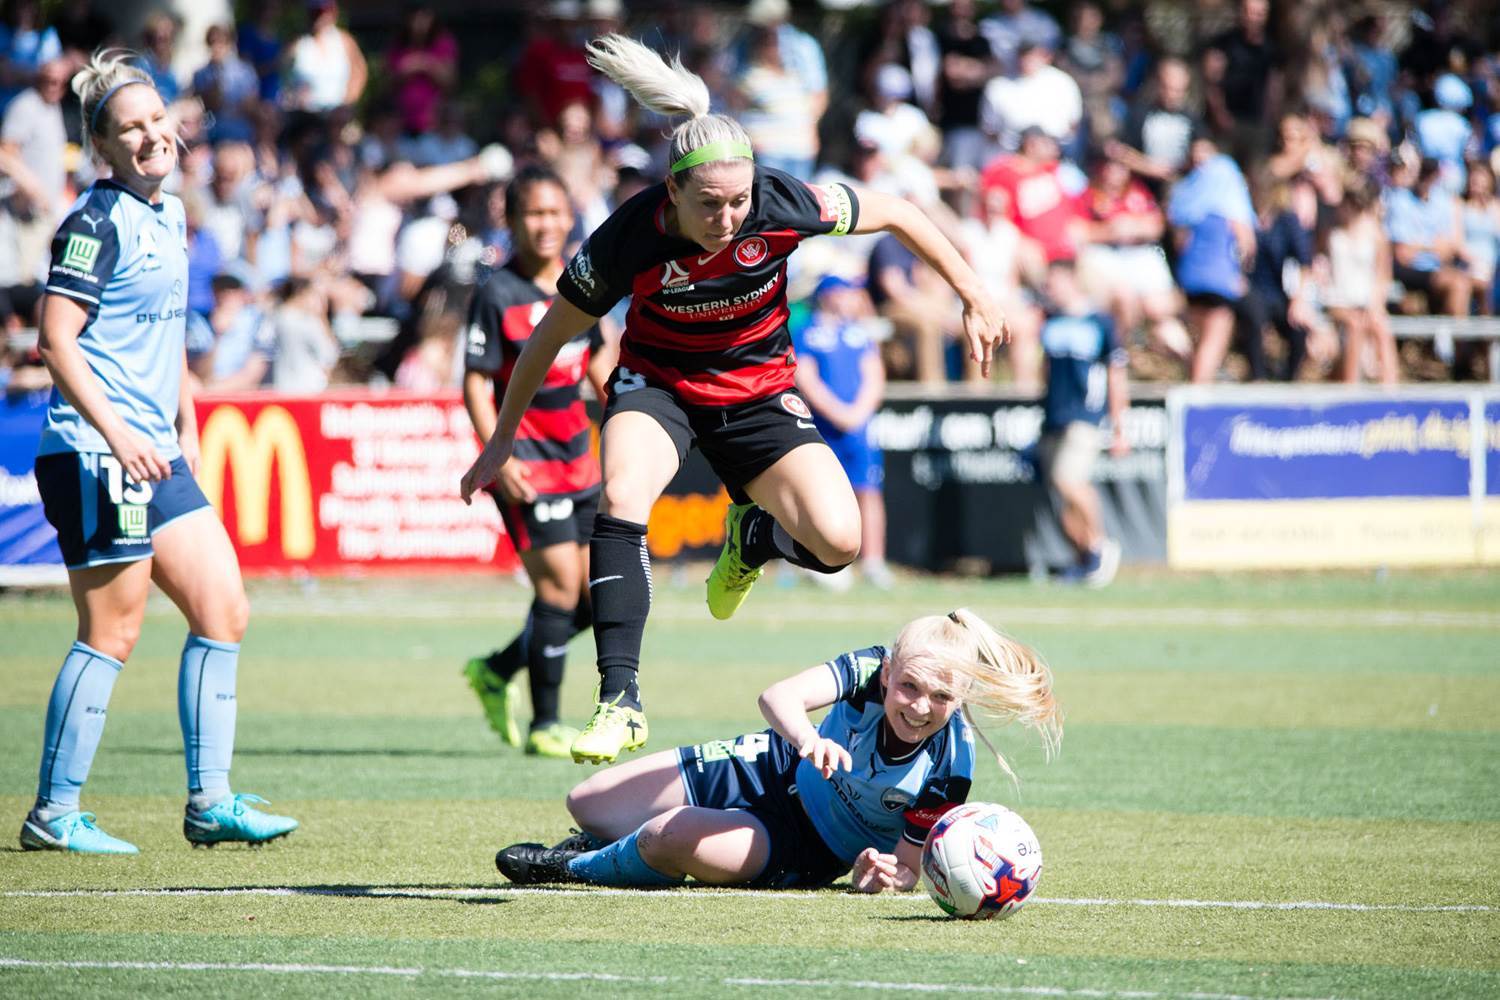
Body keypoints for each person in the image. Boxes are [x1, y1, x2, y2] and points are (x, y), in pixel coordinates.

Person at [460, 35, 1008, 766]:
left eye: (739, 202)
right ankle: (620, 702)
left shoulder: (782, 202)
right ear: (673, 193)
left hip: (760, 391)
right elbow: (545, 338)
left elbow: (901, 212)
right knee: (622, 495)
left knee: (839, 544)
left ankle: (753, 537)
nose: (727, 218)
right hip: (659, 387)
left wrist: (973, 292)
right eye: (709, 204)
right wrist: (501, 439)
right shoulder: (628, 236)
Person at [20, 50, 296, 855]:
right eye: (128, 128)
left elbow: (166, 333)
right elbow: (55, 341)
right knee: (112, 630)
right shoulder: (94, 222)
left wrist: (187, 426)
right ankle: (54, 812)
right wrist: (120, 432)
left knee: (224, 609)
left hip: (155, 450)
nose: (149, 136)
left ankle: (211, 802)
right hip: (95, 448)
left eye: (156, 120)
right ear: (101, 149)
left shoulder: (170, 215)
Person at [495, 608, 1061, 890]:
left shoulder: (951, 764)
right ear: (888, 673)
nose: (918, 706)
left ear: (959, 698)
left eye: (940, 697)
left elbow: (909, 867)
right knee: (586, 800)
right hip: (769, 761)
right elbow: (778, 696)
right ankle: (604, 837)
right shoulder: (868, 669)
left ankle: (573, 866)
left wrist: (879, 871)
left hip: (806, 842)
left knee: (670, 835)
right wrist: (809, 739)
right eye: (909, 686)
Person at [462, 166, 617, 760]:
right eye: (534, 213)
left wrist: (629, 413)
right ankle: (545, 724)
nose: (546, 224)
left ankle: (497, 670)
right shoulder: (496, 292)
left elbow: (600, 365)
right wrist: (495, 453)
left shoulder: (582, 284)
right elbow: (475, 384)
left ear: (570, 217)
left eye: (556, 212)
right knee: (556, 590)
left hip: (580, 462)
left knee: (590, 601)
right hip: (525, 463)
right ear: (512, 219)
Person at [792, 275, 891, 588]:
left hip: (859, 428)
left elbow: (874, 375)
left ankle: (874, 562)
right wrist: (838, 413)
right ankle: (817, 562)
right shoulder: (807, 331)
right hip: (821, 427)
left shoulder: (860, 333)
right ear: (829, 295)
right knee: (818, 495)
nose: (851, 299)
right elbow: (804, 377)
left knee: (869, 491)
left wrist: (857, 414)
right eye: (845, 293)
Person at [1037, 260, 1127, 587]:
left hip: (1085, 416)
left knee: (1069, 480)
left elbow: (1116, 376)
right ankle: (1084, 557)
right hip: (1053, 417)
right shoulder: (1050, 320)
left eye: (1056, 281)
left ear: (1073, 280)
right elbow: (1045, 371)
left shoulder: (1099, 322)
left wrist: (1119, 426)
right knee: (1060, 500)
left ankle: (1101, 545)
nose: (1051, 288)